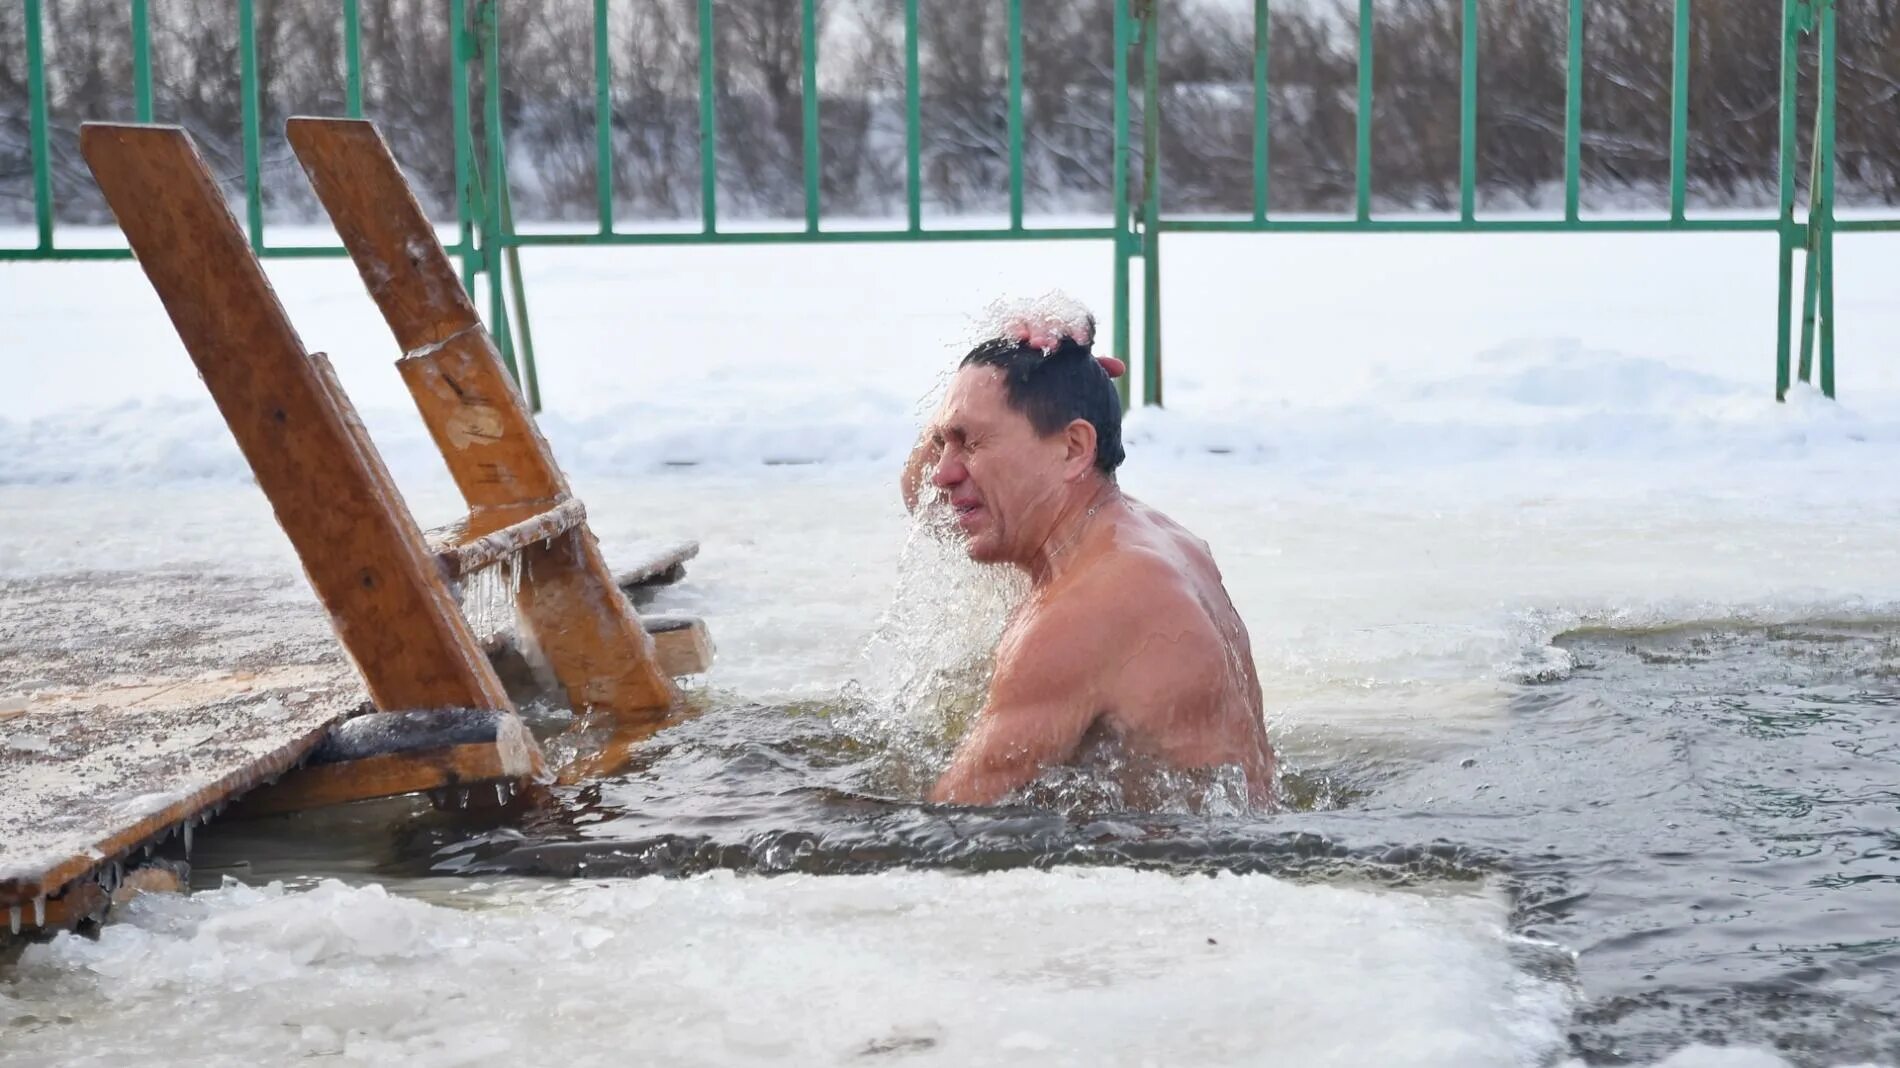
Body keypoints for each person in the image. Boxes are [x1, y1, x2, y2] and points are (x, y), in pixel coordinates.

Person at [902, 298, 1277, 808]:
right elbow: (922, 495)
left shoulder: (1086, 610)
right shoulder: (1140, 537)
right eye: (946, 442)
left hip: (1185, 874)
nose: (943, 472)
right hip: (1221, 850)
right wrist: (993, 375)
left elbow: (950, 818)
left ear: (1074, 449)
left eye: (969, 443)